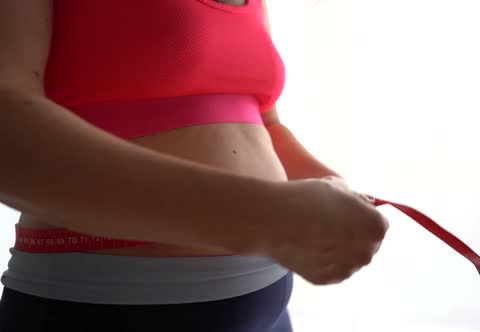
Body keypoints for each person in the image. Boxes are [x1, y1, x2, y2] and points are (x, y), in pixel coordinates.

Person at [0, 0, 389, 331]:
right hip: (109, 305)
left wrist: (333, 193)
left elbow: (261, 124)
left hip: (267, 297)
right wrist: (267, 218)